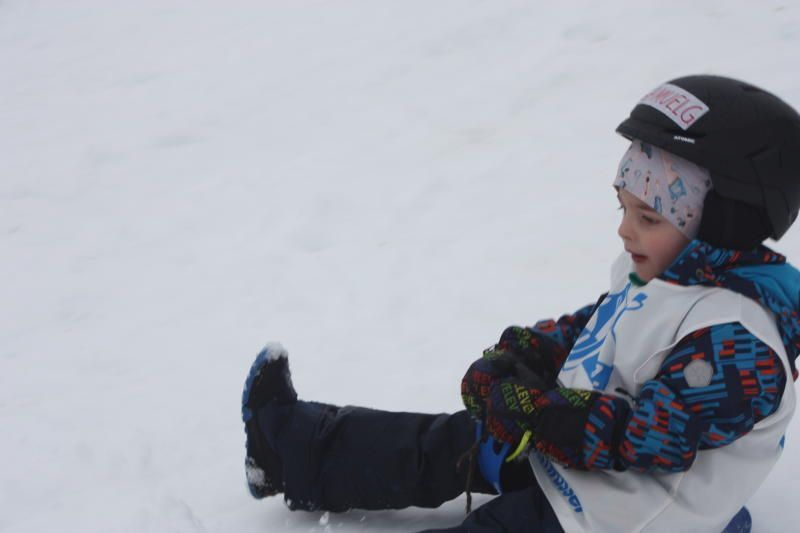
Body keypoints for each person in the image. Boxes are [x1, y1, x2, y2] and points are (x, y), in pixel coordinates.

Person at [241, 75, 800, 532]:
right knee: (445, 445)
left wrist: (538, 413)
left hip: (618, 515)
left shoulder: (738, 343)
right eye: (623, 207)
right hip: (575, 463)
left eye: (648, 217)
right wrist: (527, 352)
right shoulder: (664, 268)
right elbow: (604, 325)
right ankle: (286, 447)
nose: (625, 230)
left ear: (723, 223)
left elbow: (652, 437)